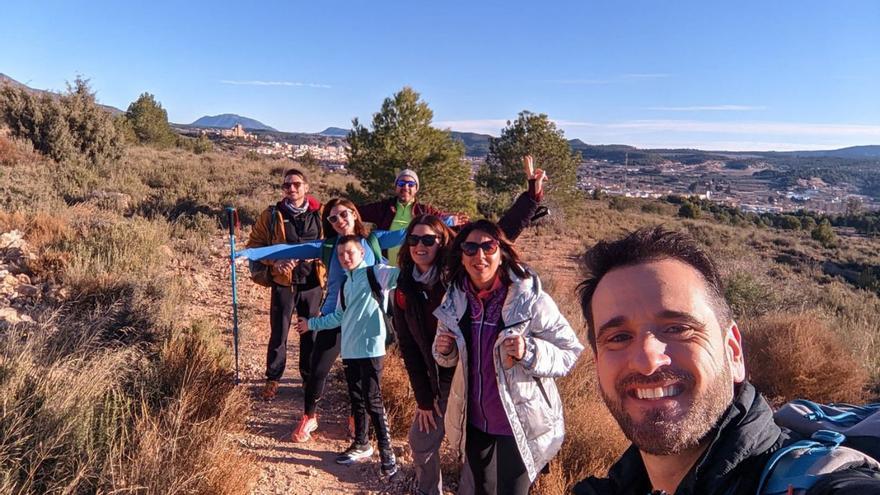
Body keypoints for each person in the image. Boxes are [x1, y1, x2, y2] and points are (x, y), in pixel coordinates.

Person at [573, 226, 880, 495]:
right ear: (598, 364)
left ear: (733, 351)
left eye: (678, 329)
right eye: (618, 337)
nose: (647, 361)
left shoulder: (824, 482)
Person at [395, 156, 545, 495]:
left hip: (469, 375)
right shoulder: (404, 289)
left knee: (471, 455)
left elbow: (497, 235)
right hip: (435, 380)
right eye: (415, 240)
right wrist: (422, 397)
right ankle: (428, 490)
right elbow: (408, 347)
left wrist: (531, 197)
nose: (421, 246)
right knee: (421, 440)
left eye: (429, 239)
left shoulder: (455, 275)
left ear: (442, 242)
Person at [432, 220, 584, 495]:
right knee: (482, 490)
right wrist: (445, 350)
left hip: (520, 422)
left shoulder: (530, 299)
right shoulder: (454, 299)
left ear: (501, 251)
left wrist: (530, 351)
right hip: (475, 419)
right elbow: (445, 356)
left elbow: (569, 350)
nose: (480, 255)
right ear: (461, 256)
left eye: (488, 246)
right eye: (470, 247)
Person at [237, 197, 405, 443]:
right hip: (332, 316)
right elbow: (289, 250)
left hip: (365, 321)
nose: (339, 221)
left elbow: (409, 232)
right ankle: (309, 416)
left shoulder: (374, 240)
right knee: (317, 369)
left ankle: (357, 419)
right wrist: (250, 253)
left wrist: (449, 222)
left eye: (344, 214)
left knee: (365, 375)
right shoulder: (328, 247)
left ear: (355, 214)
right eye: (333, 218)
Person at [295, 235, 400, 477]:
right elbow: (339, 317)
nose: (345, 258)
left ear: (362, 253)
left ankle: (387, 452)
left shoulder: (377, 273)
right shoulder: (346, 284)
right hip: (351, 349)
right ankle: (361, 444)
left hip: (372, 347)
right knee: (357, 399)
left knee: (373, 400)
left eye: (350, 253)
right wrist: (312, 324)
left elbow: (401, 276)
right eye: (341, 255)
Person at [245, 168, 323, 401]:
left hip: (312, 282)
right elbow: (254, 246)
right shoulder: (271, 215)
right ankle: (273, 378)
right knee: (279, 332)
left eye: (296, 184)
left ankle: (308, 379)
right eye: (287, 185)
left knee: (310, 332)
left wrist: (320, 256)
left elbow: (333, 243)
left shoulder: (320, 214)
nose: (291, 189)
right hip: (283, 283)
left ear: (306, 187)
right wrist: (274, 262)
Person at [357, 168, 468, 266]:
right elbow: (356, 212)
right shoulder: (384, 208)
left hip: (414, 268)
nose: (405, 187)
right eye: (401, 183)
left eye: (410, 184)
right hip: (387, 270)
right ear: (396, 187)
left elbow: (440, 221)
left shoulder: (424, 210)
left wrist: (452, 221)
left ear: (416, 189)